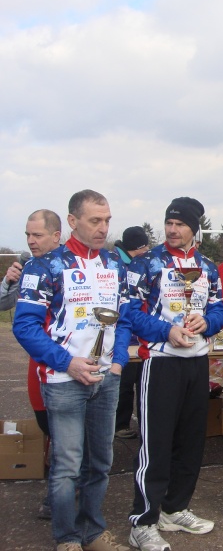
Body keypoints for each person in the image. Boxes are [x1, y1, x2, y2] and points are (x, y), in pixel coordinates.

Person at [13, 190, 132, 551]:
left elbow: (123, 318)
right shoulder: (45, 266)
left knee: (100, 462)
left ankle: (92, 532)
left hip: (105, 379)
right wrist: (67, 362)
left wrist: (118, 362)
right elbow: (26, 327)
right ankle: (67, 538)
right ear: (72, 221)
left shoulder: (114, 263)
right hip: (64, 380)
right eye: (95, 220)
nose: (103, 227)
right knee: (67, 465)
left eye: (107, 220)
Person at [127, 197, 223, 551]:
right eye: (169, 222)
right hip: (161, 361)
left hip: (197, 361)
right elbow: (129, 312)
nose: (172, 229)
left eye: (180, 224)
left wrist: (207, 322)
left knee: (191, 441)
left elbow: (219, 309)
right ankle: (143, 521)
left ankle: (175, 507)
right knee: (156, 443)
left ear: (193, 228)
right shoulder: (149, 262)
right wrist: (164, 331)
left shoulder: (208, 267)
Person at [1, 209, 62, 520]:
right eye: (28, 235)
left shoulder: (70, 268)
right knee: (47, 426)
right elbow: (3, 306)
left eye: (37, 235)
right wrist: (9, 283)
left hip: (68, 365)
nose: (31, 240)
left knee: (69, 433)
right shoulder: (27, 268)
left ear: (56, 235)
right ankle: (61, 488)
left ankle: (59, 496)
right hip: (38, 365)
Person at [113, 226, 150, 440]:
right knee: (125, 382)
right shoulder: (122, 265)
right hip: (125, 336)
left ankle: (127, 423)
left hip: (136, 335)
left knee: (135, 381)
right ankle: (120, 424)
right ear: (137, 247)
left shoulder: (129, 262)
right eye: (144, 246)